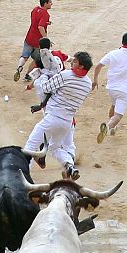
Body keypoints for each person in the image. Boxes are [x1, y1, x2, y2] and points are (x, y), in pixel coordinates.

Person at [23, 51, 93, 180]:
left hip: (52, 117)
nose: (72, 62)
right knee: (54, 148)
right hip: (67, 122)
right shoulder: (88, 83)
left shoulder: (66, 75)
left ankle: (23, 174)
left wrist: (44, 74)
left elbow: (45, 88)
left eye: (75, 61)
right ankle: (70, 166)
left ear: (81, 66)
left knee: (31, 145)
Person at [92, 32, 127, 143]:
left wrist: (95, 80)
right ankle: (107, 127)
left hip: (111, 88)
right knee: (118, 115)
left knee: (114, 105)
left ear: (122, 41)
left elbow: (98, 66)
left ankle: (112, 128)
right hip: (125, 90)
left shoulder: (113, 53)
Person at [15, 0, 52, 82]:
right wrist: (46, 39)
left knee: (24, 56)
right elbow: (40, 27)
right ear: (45, 3)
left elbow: (36, 21)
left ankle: (19, 67)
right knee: (37, 60)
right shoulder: (45, 14)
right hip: (38, 42)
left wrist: (46, 23)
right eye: (50, 2)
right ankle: (27, 75)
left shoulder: (35, 9)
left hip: (29, 37)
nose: (51, 4)